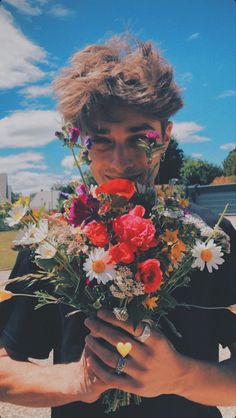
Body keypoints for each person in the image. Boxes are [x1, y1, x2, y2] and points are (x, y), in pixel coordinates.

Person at [0, 34, 235, 418]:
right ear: (81, 144)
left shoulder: (212, 237)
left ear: (166, 137)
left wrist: (181, 377)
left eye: (140, 138)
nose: (122, 161)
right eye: (102, 141)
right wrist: (76, 382)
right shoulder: (51, 243)